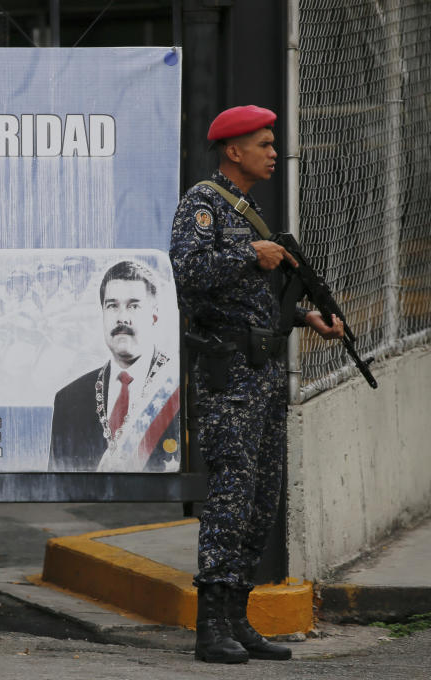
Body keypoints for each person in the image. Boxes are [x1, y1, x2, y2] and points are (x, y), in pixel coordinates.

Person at [170, 105, 345, 663]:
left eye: (272, 143)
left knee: (260, 498)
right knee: (229, 493)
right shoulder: (203, 204)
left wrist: (304, 316)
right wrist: (250, 253)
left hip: (263, 373)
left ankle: (238, 619)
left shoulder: (248, 212)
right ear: (233, 151)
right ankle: (209, 628)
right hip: (228, 374)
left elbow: (250, 301)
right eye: (263, 143)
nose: (274, 152)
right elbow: (186, 271)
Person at [49, 259, 180, 473]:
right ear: (102, 313)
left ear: (154, 315)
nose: (122, 318)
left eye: (134, 306)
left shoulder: (178, 387)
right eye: (112, 306)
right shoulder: (68, 400)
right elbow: (59, 488)